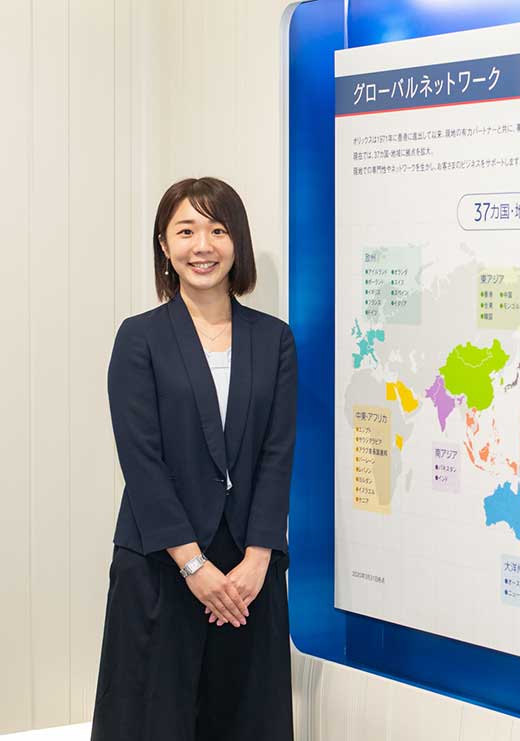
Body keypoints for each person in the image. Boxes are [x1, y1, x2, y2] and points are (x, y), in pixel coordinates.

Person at [91, 178, 296, 739]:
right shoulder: (139, 338)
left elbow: (278, 454)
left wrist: (258, 559)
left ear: (237, 243)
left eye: (217, 230)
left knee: (246, 720)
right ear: (164, 244)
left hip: (247, 574)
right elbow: (142, 461)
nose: (202, 246)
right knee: (152, 719)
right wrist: (192, 566)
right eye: (186, 231)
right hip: (161, 563)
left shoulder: (274, 340)